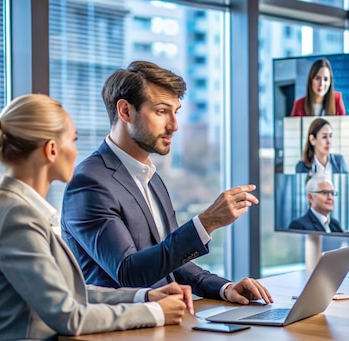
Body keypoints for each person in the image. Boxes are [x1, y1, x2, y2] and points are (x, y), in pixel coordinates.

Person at [0, 94, 195, 341]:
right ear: (51, 150)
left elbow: (71, 293)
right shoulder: (15, 216)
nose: (76, 151)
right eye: (73, 140)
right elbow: (68, 317)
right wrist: (154, 313)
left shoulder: (18, 209)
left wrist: (144, 296)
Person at [61, 61, 272, 305]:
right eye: (162, 111)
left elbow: (171, 260)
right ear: (125, 111)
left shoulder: (151, 178)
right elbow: (128, 273)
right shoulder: (89, 182)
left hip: (162, 321)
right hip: (116, 334)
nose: (174, 125)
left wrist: (224, 287)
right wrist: (206, 222)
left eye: (176, 111)